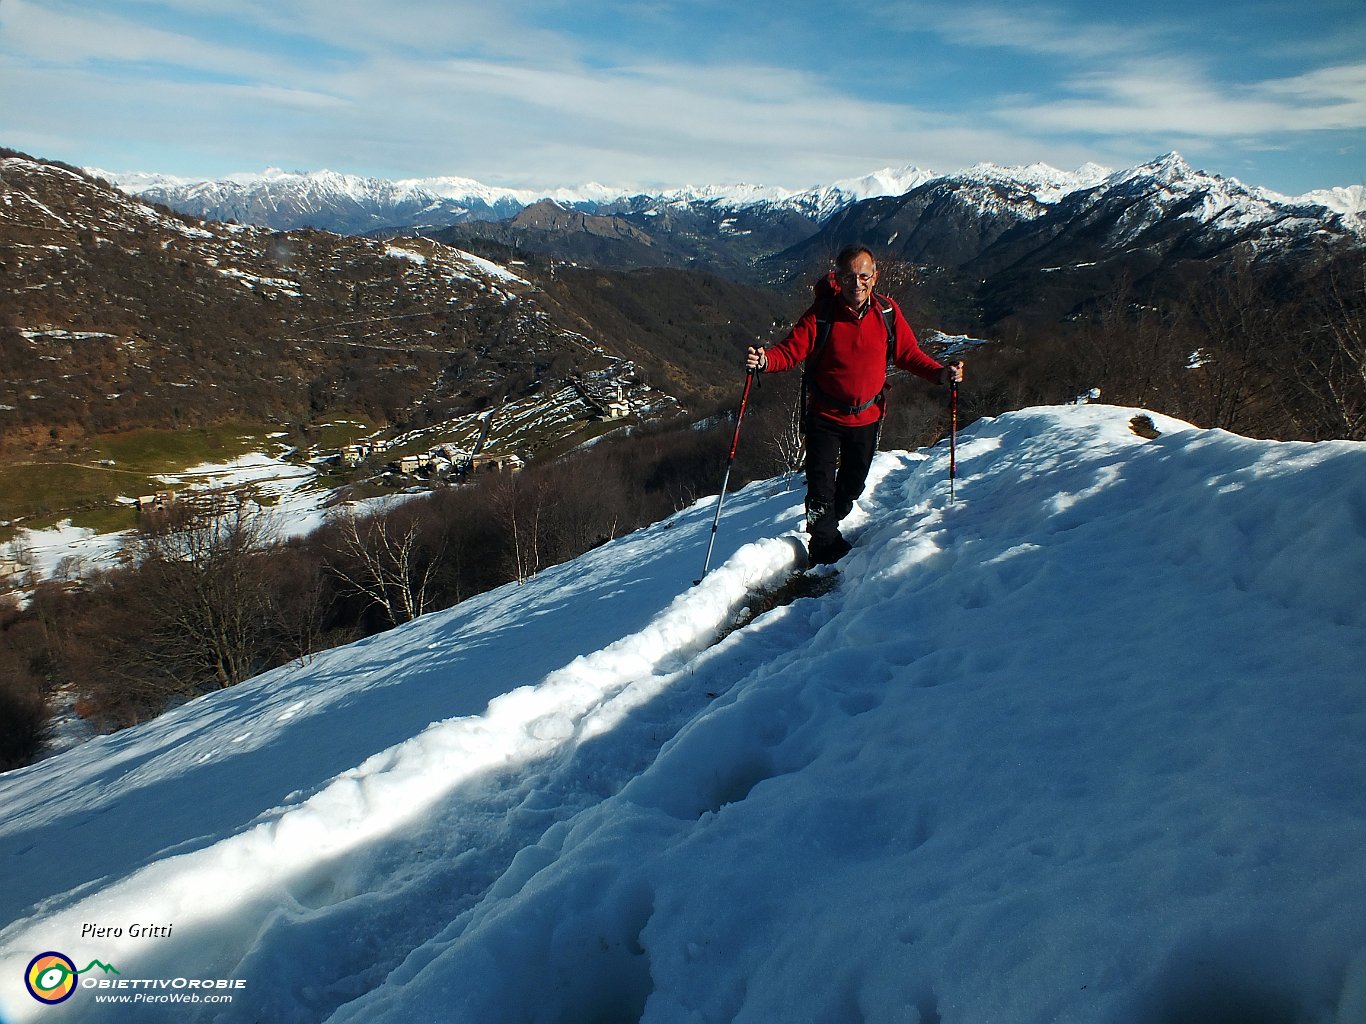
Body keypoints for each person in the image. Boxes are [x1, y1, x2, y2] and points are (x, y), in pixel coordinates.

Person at [746, 244, 964, 564]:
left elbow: (908, 354)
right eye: (849, 276)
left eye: (863, 275)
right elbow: (790, 351)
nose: (857, 282)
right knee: (820, 487)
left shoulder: (887, 313)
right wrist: (765, 361)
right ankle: (822, 548)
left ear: (875, 278)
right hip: (824, 415)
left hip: (867, 417)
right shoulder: (821, 315)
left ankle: (828, 527)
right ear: (838, 278)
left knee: (851, 486)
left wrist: (941, 374)